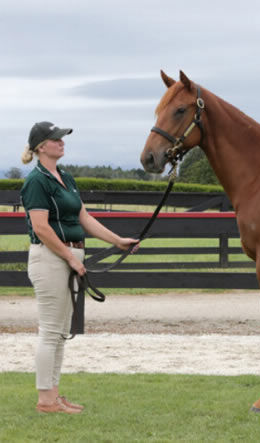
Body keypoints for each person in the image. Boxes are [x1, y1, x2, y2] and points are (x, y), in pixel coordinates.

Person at [20, 121, 139, 414]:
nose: (61, 142)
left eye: (61, 138)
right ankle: (46, 400)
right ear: (41, 147)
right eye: (55, 139)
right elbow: (41, 228)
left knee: (61, 331)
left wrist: (117, 241)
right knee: (51, 331)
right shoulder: (36, 181)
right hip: (50, 259)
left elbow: (84, 218)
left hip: (69, 258)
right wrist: (70, 257)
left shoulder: (65, 177)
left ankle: (54, 396)